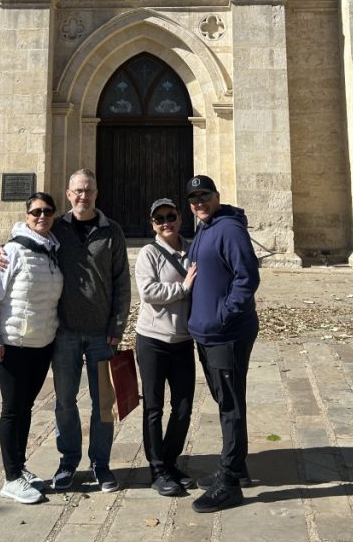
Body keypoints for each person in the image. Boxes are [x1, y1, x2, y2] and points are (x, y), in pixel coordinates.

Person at [0, 169, 131, 494]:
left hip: (101, 335)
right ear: (68, 195)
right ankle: (68, 462)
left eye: (89, 191)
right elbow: (25, 235)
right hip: (64, 333)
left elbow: (122, 281)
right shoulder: (57, 229)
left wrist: (118, 325)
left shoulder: (113, 232)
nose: (84, 196)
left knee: (104, 404)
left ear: (97, 193)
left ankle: (101, 463)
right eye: (78, 191)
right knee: (65, 401)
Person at [185, 174, 260, 514]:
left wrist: (223, 316)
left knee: (229, 404)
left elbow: (247, 277)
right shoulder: (206, 227)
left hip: (226, 333)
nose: (198, 202)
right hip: (210, 333)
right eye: (193, 198)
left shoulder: (229, 229)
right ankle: (239, 465)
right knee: (225, 399)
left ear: (216, 196)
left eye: (204, 195)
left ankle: (228, 481)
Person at [0, 192, 64, 505]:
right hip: (13, 343)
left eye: (47, 211)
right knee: (13, 408)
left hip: (41, 342)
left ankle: (19, 468)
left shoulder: (52, 249)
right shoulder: (11, 251)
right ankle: (11, 477)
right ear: (26, 215)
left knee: (25, 406)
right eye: (35, 212)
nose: (41, 216)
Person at [135, 199, 197, 497]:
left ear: (180, 217)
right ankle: (157, 469)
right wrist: (183, 288)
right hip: (152, 340)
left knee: (183, 407)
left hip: (183, 341)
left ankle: (170, 462)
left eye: (170, 216)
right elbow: (148, 292)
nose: (165, 222)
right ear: (152, 224)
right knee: (153, 407)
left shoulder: (192, 249)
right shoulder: (148, 253)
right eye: (159, 218)